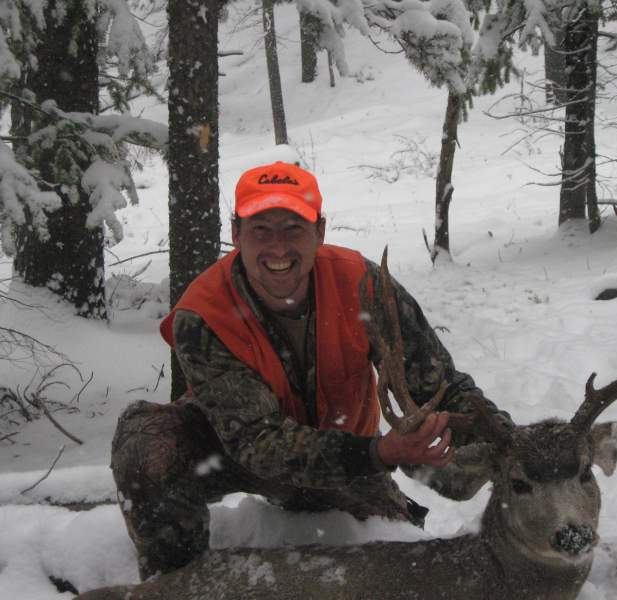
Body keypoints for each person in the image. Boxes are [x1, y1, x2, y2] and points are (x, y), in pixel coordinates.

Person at [110, 161, 512, 580]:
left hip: (347, 466)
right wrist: (379, 453)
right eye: (261, 230)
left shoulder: (363, 285)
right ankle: (178, 583)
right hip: (233, 454)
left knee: (400, 566)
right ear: (235, 234)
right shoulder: (204, 313)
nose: (278, 248)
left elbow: (442, 387)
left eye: (293, 229)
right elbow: (257, 442)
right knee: (145, 445)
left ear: (319, 232)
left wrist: (509, 438)